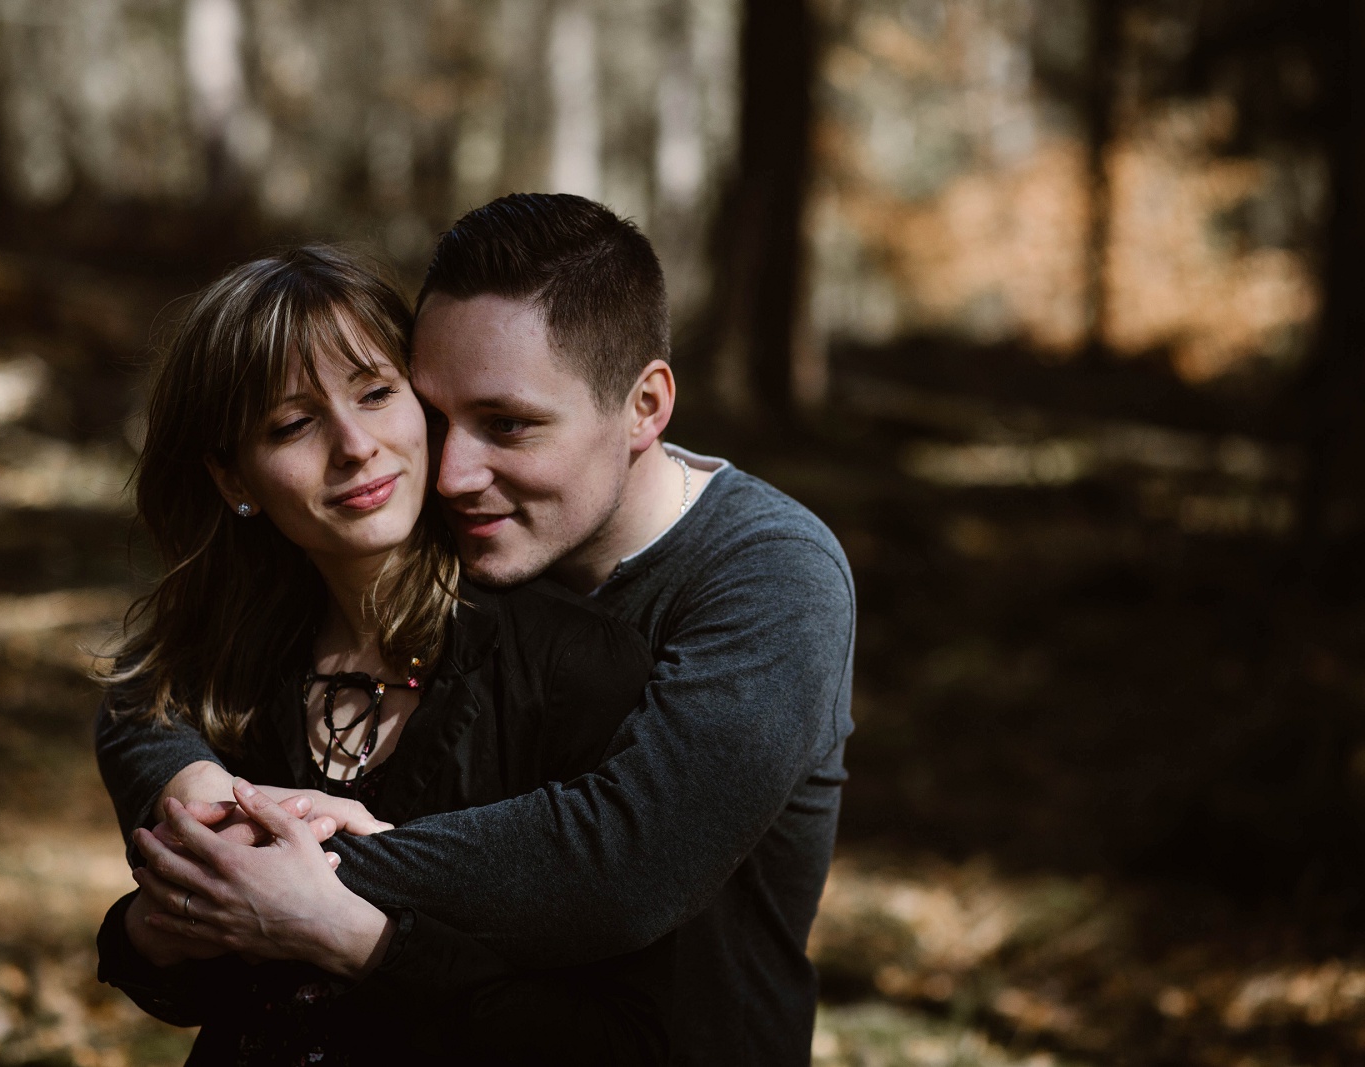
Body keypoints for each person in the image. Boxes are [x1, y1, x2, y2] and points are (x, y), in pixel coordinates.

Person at [101, 194, 857, 1064]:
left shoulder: (767, 572)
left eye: (507, 425)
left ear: (645, 407)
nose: (453, 471)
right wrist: (189, 800)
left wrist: (284, 873)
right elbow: (160, 672)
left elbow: (621, 860)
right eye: (437, 413)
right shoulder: (438, 549)